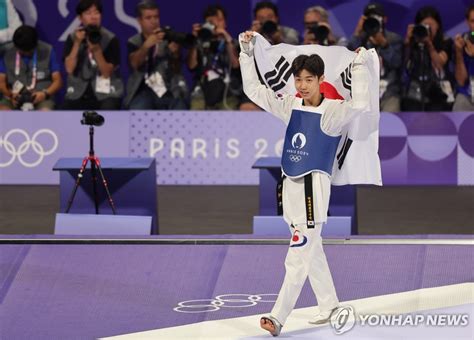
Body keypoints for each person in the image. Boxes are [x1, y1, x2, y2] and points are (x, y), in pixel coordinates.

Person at [239, 30, 371, 336]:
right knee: (312, 250)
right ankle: (330, 305)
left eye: (309, 80)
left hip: (314, 190)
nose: (302, 85)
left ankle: (278, 316)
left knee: (298, 253)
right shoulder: (290, 104)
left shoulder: (333, 113)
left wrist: (361, 66)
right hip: (290, 186)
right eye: (298, 79)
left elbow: (361, 103)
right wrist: (246, 54)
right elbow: (254, 91)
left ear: (320, 79)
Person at [125, 0, 188, 110]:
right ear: (139, 21)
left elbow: (177, 69)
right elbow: (135, 64)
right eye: (148, 18)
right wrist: (146, 46)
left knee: (180, 107)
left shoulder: (169, 38)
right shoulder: (134, 41)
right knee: (137, 109)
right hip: (143, 91)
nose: (154, 21)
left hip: (169, 90)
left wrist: (175, 54)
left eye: (156, 17)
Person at [62, 0, 123, 110]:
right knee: (66, 111)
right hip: (78, 91)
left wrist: (97, 51)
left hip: (106, 93)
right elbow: (69, 69)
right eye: (88, 13)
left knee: (108, 109)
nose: (93, 17)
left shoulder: (110, 39)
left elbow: (106, 73)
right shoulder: (73, 38)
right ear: (80, 18)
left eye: (96, 12)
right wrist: (77, 43)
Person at [347, 2, 402, 112]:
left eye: (376, 17)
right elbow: (348, 57)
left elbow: (397, 63)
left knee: (391, 117)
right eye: (369, 17)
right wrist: (357, 32)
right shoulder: (361, 39)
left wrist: (384, 44)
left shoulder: (394, 39)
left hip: (389, 92)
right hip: (364, 93)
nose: (373, 20)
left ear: (384, 19)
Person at [187, 4, 240, 110]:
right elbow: (191, 66)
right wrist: (195, 41)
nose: (216, 24)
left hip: (228, 93)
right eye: (211, 22)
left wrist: (226, 39)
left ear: (225, 23)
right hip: (202, 93)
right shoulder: (200, 44)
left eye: (219, 20)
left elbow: (235, 65)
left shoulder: (233, 43)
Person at [402, 6, 454, 111]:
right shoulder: (414, 42)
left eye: (431, 26)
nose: (428, 29)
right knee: (408, 106)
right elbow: (403, 64)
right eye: (424, 26)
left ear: (438, 26)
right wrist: (408, 42)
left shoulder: (446, 41)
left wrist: (429, 44)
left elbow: (439, 64)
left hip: (439, 90)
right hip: (416, 91)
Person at [0, 25, 62, 110]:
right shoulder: (7, 52)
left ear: (36, 44)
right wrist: (10, 95)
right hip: (13, 97)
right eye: (21, 51)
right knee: (3, 111)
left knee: (45, 112)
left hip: (41, 97)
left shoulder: (48, 50)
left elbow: (58, 80)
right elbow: (1, 82)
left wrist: (45, 94)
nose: (25, 53)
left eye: (29, 51)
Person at [453, 5, 474, 111]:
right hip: (468, 96)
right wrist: (459, 52)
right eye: (473, 21)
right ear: (467, 22)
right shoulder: (462, 42)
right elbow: (461, 81)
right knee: (461, 101)